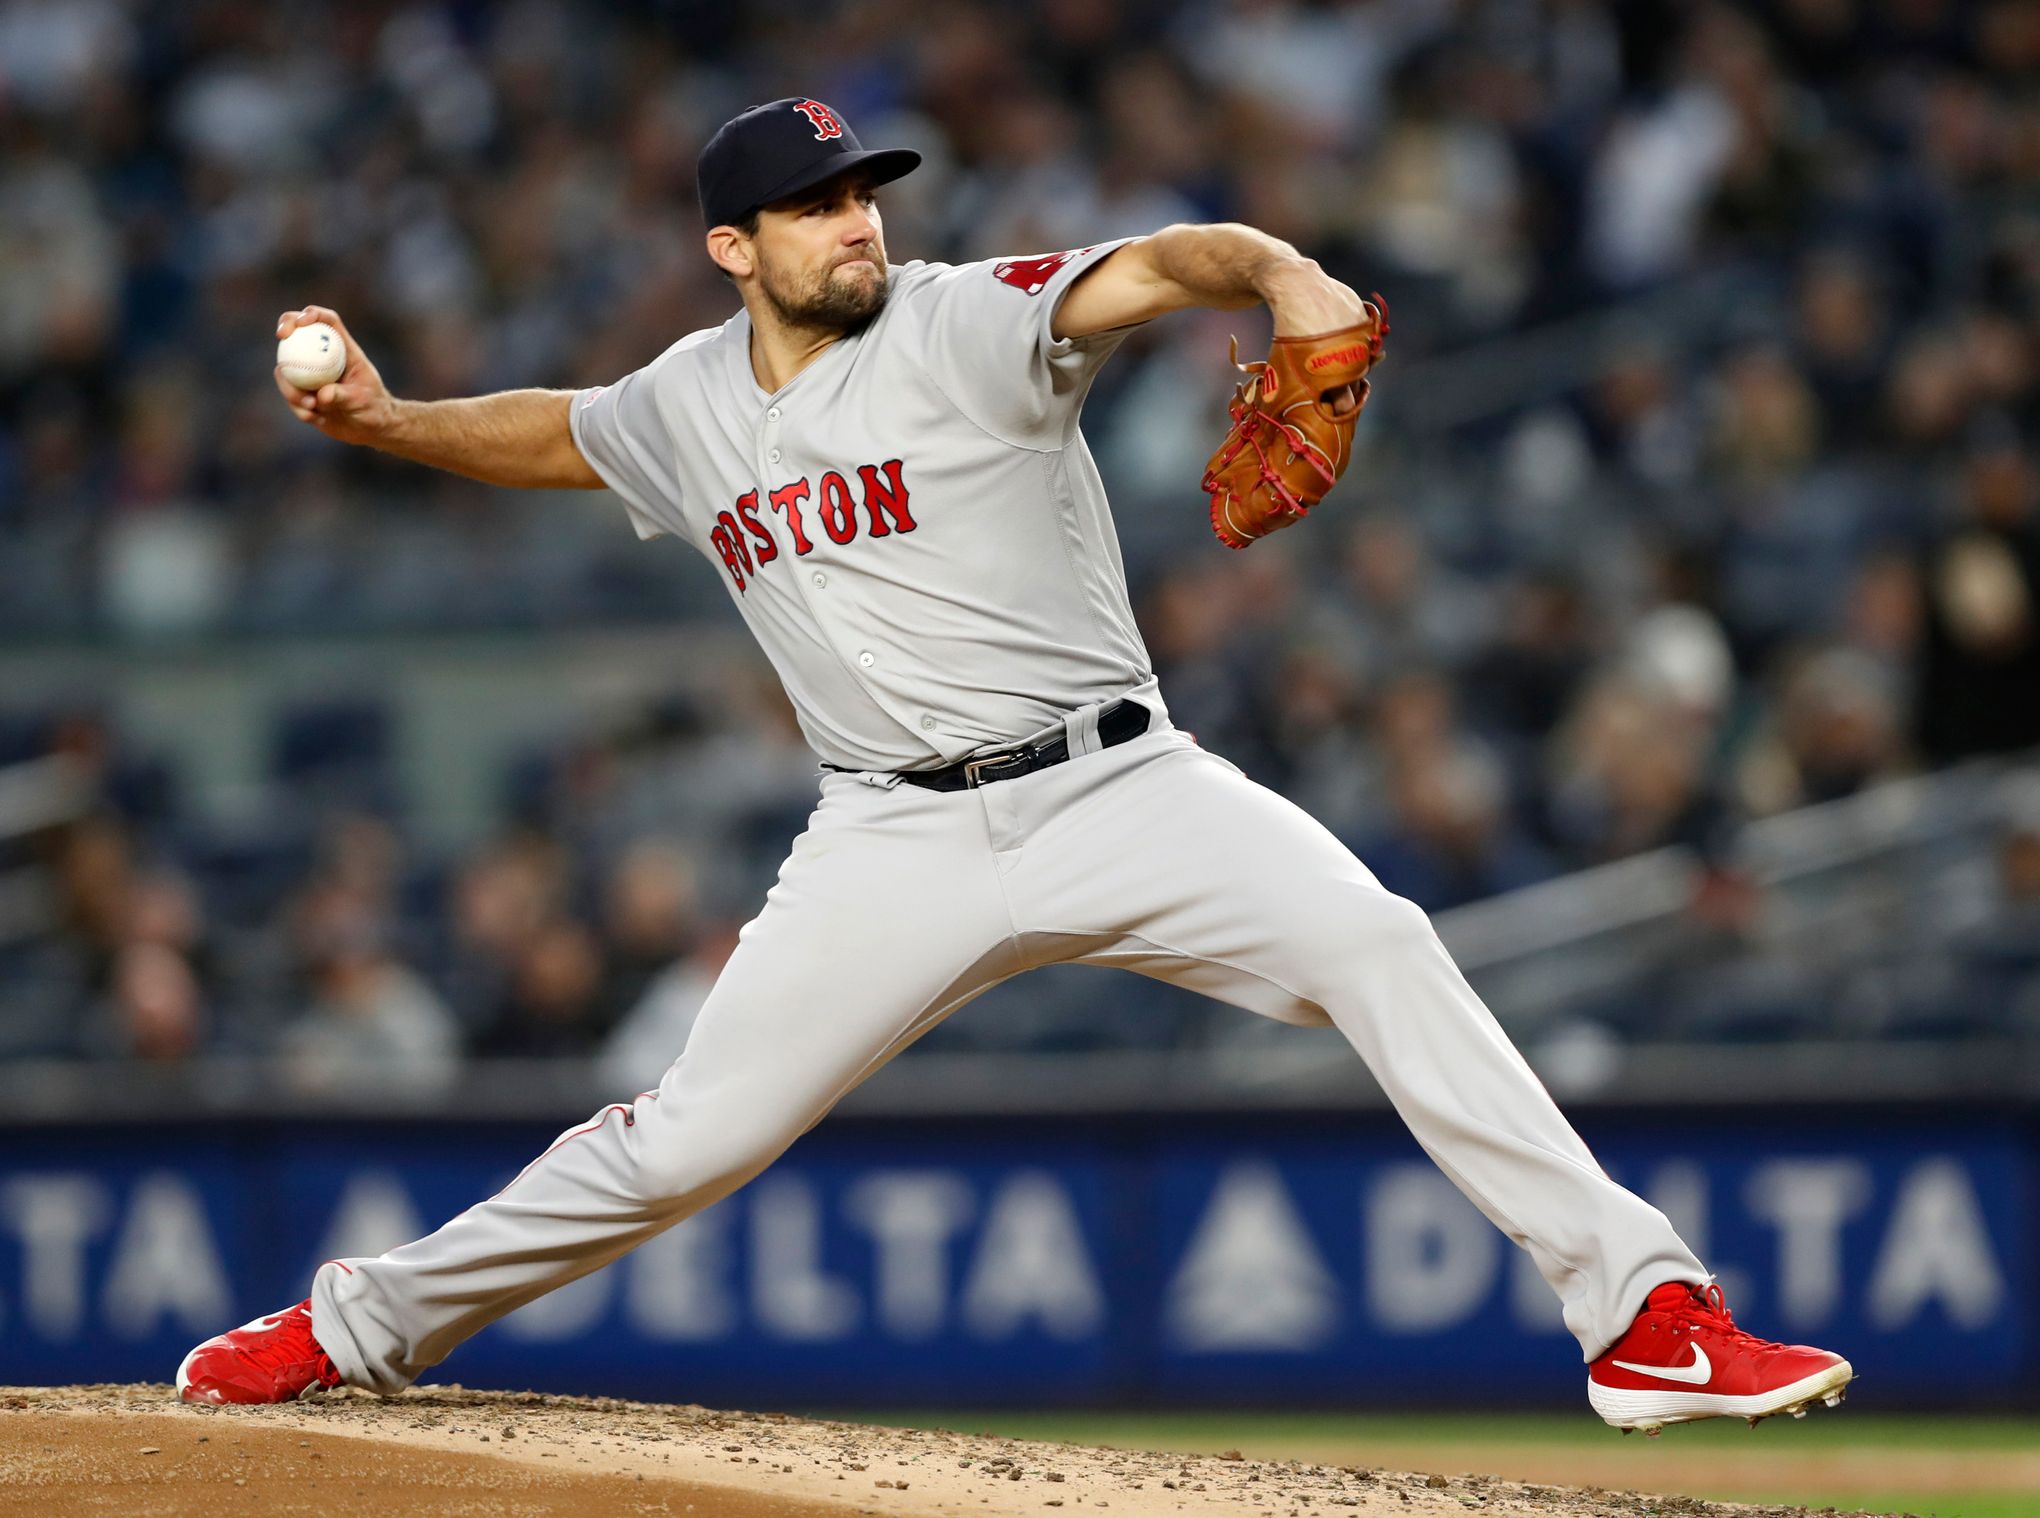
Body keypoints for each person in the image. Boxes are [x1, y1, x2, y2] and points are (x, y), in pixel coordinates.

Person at [175, 98, 1849, 1433]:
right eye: (820, 205)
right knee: (687, 1141)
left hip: (1121, 790)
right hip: (886, 839)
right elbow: (558, 426)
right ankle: (356, 1325)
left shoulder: (971, 322)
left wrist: (1284, 277)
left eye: (866, 193)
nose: (859, 221)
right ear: (731, 246)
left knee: (1379, 944)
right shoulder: (685, 402)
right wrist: (391, 424)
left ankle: (1642, 1316)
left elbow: (1162, 263)